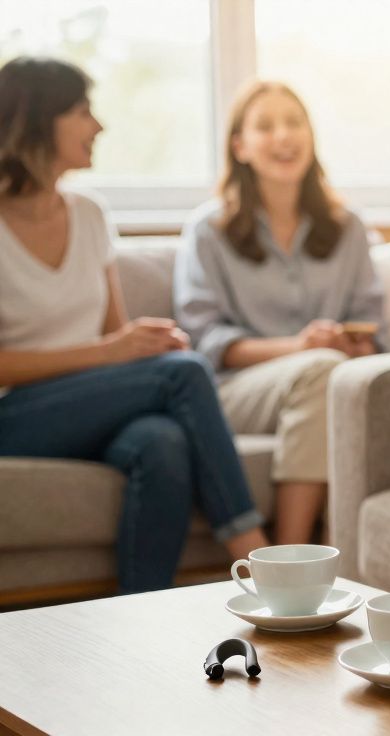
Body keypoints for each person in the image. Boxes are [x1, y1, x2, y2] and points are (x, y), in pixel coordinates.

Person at [0, 57, 269, 593]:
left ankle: (138, 615)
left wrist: (143, 345)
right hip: (15, 415)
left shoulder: (89, 214)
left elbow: (114, 338)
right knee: (184, 372)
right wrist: (113, 354)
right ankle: (262, 564)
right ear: (36, 120)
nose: (98, 126)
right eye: (83, 112)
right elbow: (102, 351)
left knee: (162, 442)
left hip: (87, 404)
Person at [175, 81, 385, 546]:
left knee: (338, 378)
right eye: (265, 126)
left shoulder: (348, 226)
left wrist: (352, 342)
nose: (284, 136)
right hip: (237, 390)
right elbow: (204, 341)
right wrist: (299, 348)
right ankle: (291, 558)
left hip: (326, 379)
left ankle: (340, 552)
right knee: (321, 371)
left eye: (294, 123)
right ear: (240, 146)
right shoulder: (209, 230)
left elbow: (372, 323)